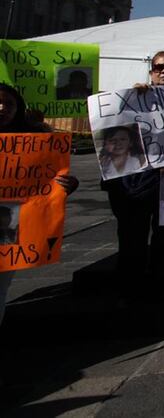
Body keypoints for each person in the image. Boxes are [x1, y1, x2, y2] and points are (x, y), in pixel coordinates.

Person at [100, 52, 164, 302]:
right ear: (151, 72)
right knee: (132, 238)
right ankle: (130, 288)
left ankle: (161, 283)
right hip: (134, 181)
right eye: (159, 67)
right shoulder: (134, 97)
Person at [1, 83, 80, 325]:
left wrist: (65, 184)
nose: (2, 108)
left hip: (8, 230)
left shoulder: (34, 141)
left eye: (9, 103)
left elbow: (48, 180)